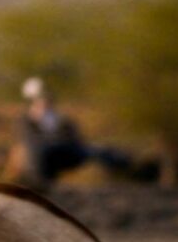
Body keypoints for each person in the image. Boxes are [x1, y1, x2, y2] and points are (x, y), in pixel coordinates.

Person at [12, 77, 141, 185]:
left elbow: (75, 139)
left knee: (99, 151)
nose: (44, 105)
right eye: (40, 101)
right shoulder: (26, 122)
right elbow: (35, 146)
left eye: (47, 100)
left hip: (66, 153)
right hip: (44, 164)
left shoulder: (60, 120)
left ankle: (130, 167)